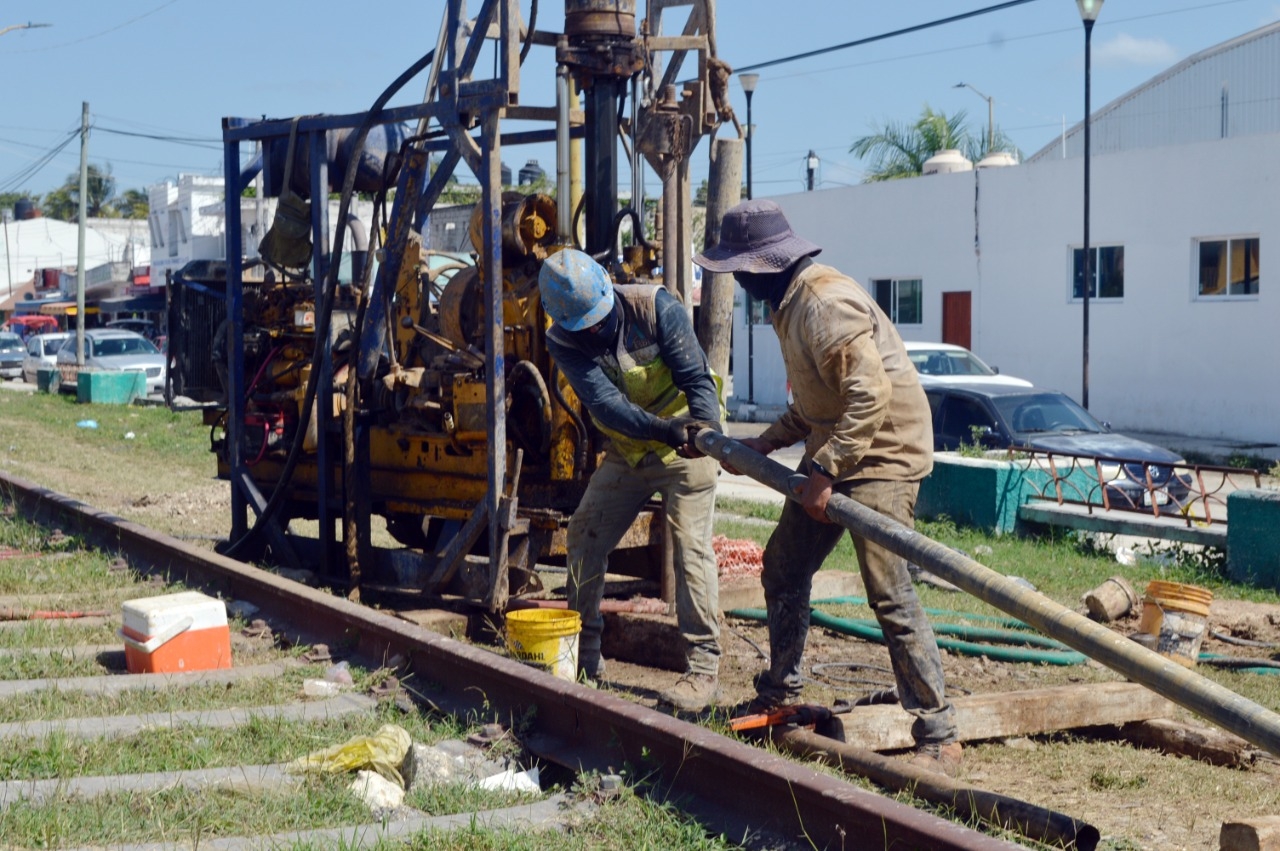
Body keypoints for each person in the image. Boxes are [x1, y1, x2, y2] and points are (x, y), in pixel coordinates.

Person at [694, 199, 961, 773]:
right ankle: (781, 693)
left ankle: (939, 730)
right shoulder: (787, 305)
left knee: (889, 589)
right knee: (783, 568)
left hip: (884, 455)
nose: (735, 280)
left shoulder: (821, 304)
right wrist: (764, 445)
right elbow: (819, 403)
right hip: (840, 451)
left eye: (738, 269)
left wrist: (826, 469)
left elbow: (870, 397)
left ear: (763, 265)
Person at [539, 248, 725, 713]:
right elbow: (606, 407)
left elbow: (697, 379)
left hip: (688, 441)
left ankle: (703, 670)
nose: (596, 332)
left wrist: (700, 430)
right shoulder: (562, 340)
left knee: (690, 549)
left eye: (600, 321)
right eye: (586, 327)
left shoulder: (655, 306)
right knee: (584, 534)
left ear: (609, 287)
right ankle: (584, 658)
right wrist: (662, 431)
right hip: (632, 447)